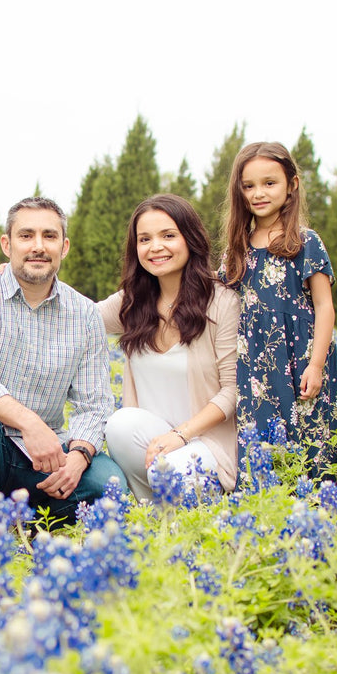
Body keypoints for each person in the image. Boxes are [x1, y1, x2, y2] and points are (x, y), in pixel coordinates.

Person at [0, 197, 123, 523]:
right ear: (6, 244)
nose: (38, 246)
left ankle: (23, 521)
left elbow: (94, 403)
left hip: (46, 458)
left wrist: (79, 456)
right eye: (26, 236)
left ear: (64, 247)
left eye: (49, 236)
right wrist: (30, 422)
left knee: (109, 486)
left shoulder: (84, 314)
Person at [100, 194, 240, 501]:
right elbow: (73, 316)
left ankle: (180, 518)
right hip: (155, 441)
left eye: (168, 235)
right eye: (145, 239)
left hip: (205, 443)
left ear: (190, 239)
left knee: (168, 471)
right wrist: (18, 277)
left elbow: (232, 390)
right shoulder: (131, 301)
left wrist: (182, 434)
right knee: (119, 424)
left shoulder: (221, 301)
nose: (155, 247)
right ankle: (152, 511)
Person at [221, 141, 337, 479]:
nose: (258, 193)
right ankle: (266, 504)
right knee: (261, 439)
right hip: (255, 361)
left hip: (301, 356)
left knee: (310, 438)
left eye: (269, 183)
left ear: (292, 185)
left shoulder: (306, 241)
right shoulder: (237, 248)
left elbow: (324, 305)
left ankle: (320, 504)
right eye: (249, 186)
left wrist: (316, 364)